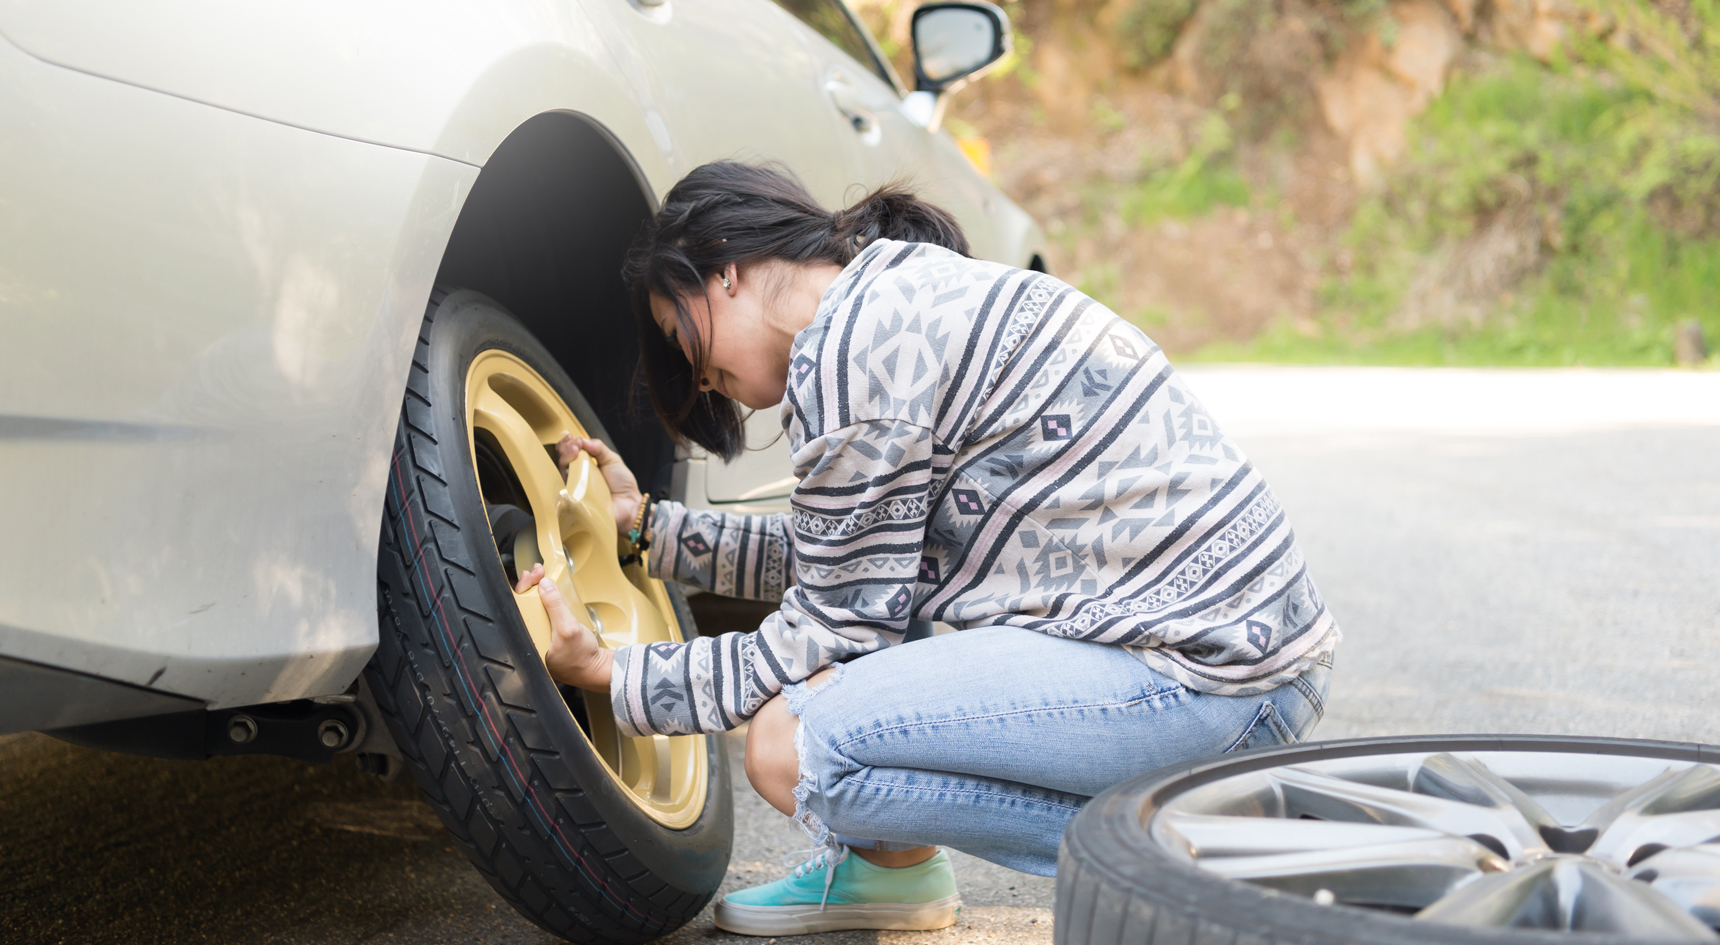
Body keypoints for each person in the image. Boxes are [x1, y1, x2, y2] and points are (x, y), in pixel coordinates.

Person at [512, 161, 1339, 937]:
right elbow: (848, 560)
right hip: (1246, 659)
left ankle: (1200, 846)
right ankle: (894, 871)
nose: (693, 379)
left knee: (794, 744)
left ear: (722, 268)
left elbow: (829, 631)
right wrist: (650, 530)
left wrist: (617, 675)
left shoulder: (850, 359)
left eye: (676, 330)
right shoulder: (886, 295)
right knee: (830, 694)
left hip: (1207, 682)